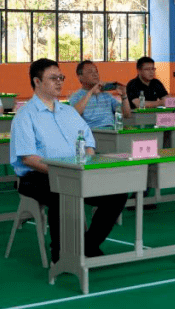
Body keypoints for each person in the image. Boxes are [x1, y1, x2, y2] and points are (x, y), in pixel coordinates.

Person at [10, 58, 128, 263]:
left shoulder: (68, 112)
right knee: (61, 191)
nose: (59, 82)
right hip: (37, 176)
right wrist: (63, 171)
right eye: (53, 78)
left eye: (61, 77)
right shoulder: (25, 115)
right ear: (37, 82)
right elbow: (29, 158)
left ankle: (88, 245)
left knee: (117, 192)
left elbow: (89, 142)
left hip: (75, 170)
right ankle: (60, 253)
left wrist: (87, 161)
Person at [68, 60, 130, 130]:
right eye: (90, 72)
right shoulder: (76, 96)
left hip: (112, 132)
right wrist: (91, 92)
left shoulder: (106, 95)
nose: (95, 74)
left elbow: (126, 114)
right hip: (92, 133)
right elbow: (74, 114)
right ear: (80, 77)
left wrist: (124, 96)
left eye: (96, 71)